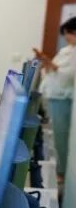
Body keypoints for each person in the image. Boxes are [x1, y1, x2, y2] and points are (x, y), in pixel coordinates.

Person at [34, 17, 76, 172]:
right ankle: (58, 168)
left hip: (63, 98)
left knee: (62, 136)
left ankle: (62, 170)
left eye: (68, 33)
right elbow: (53, 70)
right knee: (55, 136)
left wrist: (51, 65)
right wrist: (46, 63)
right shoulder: (66, 51)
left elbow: (69, 76)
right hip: (53, 95)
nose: (66, 37)